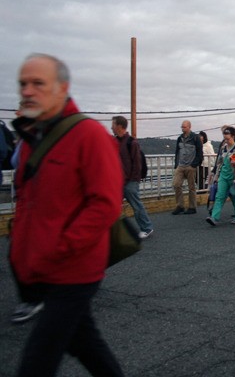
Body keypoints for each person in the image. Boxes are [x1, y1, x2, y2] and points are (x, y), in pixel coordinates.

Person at [10, 53, 124, 376]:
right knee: (84, 343)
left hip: (74, 269)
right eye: (23, 84)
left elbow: (105, 204)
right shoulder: (34, 137)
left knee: (38, 358)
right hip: (41, 268)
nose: (28, 91)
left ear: (62, 88)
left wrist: (58, 248)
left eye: (38, 83)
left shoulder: (88, 135)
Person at [111, 115, 154, 239]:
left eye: (113, 125)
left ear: (119, 126)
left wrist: (134, 180)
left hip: (129, 181)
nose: (111, 127)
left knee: (136, 205)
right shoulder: (115, 142)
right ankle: (113, 231)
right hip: (119, 180)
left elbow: (137, 163)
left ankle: (147, 228)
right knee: (113, 206)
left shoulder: (132, 143)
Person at [206, 126, 235, 225]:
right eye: (225, 138)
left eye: (228, 138)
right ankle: (214, 217)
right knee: (219, 196)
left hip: (234, 177)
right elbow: (219, 163)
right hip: (223, 177)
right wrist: (216, 176)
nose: (226, 140)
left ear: (233, 136)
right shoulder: (223, 148)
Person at [172, 120, 203, 215]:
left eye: (184, 127)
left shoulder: (195, 138)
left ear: (189, 127)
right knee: (176, 184)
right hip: (181, 165)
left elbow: (199, 152)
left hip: (190, 166)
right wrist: (176, 164)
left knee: (191, 187)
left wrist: (194, 165)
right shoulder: (179, 138)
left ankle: (192, 207)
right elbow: (177, 152)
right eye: (182, 127)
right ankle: (180, 205)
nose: (182, 129)